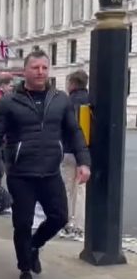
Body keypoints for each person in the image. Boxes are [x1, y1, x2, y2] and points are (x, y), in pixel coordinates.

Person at [0, 50, 91, 279]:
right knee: (22, 223)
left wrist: (84, 162)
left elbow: (74, 131)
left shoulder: (60, 99)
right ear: (25, 71)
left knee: (60, 217)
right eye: (35, 68)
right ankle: (24, 267)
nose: (41, 72)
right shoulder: (9, 101)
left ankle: (33, 246)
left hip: (50, 172)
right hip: (21, 174)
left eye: (44, 67)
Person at [60, 70, 89, 238]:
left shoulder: (67, 102)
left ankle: (67, 222)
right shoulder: (92, 100)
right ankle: (79, 225)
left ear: (72, 84)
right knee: (80, 189)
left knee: (67, 188)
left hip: (69, 150)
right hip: (86, 151)